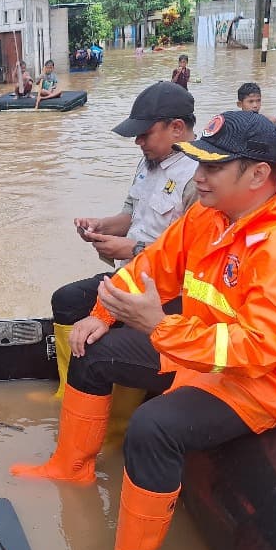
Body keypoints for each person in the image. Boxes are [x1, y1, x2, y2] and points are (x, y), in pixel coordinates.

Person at [12, 111, 276, 550]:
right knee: (92, 351)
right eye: (197, 163)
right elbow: (151, 268)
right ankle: (70, 466)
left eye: (213, 168)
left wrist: (160, 329)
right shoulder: (209, 217)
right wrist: (101, 315)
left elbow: (261, 350)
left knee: (155, 427)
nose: (198, 178)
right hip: (206, 348)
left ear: (258, 175)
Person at [47, 81, 198, 398]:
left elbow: (193, 255)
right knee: (67, 300)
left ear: (177, 128)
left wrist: (131, 248)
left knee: (106, 342)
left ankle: (118, 410)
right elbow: (131, 215)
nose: (138, 142)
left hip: (168, 292)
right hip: (130, 274)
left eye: (145, 133)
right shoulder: (149, 163)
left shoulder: (199, 177)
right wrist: (101, 226)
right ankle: (69, 391)